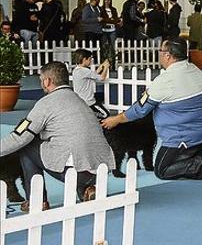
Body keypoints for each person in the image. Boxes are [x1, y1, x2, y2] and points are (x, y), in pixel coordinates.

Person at [101, 38, 202, 181]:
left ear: (168, 55)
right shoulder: (194, 70)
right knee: (180, 157)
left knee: (162, 169)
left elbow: (140, 110)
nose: (159, 54)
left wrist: (115, 119)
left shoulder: (166, 80)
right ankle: (198, 157)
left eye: (160, 51)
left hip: (186, 136)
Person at [0, 62, 115, 211]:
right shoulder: (80, 100)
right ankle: (87, 190)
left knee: (27, 146)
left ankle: (37, 200)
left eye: (41, 79)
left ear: (47, 81)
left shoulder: (45, 103)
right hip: (101, 170)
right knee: (70, 145)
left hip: (75, 171)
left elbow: (20, 137)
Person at [71, 48, 111, 118]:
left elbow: (93, 74)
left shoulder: (76, 70)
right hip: (89, 102)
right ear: (84, 59)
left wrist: (102, 66)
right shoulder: (85, 71)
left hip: (81, 102)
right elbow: (102, 78)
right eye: (89, 59)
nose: (90, 61)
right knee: (106, 115)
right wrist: (106, 68)